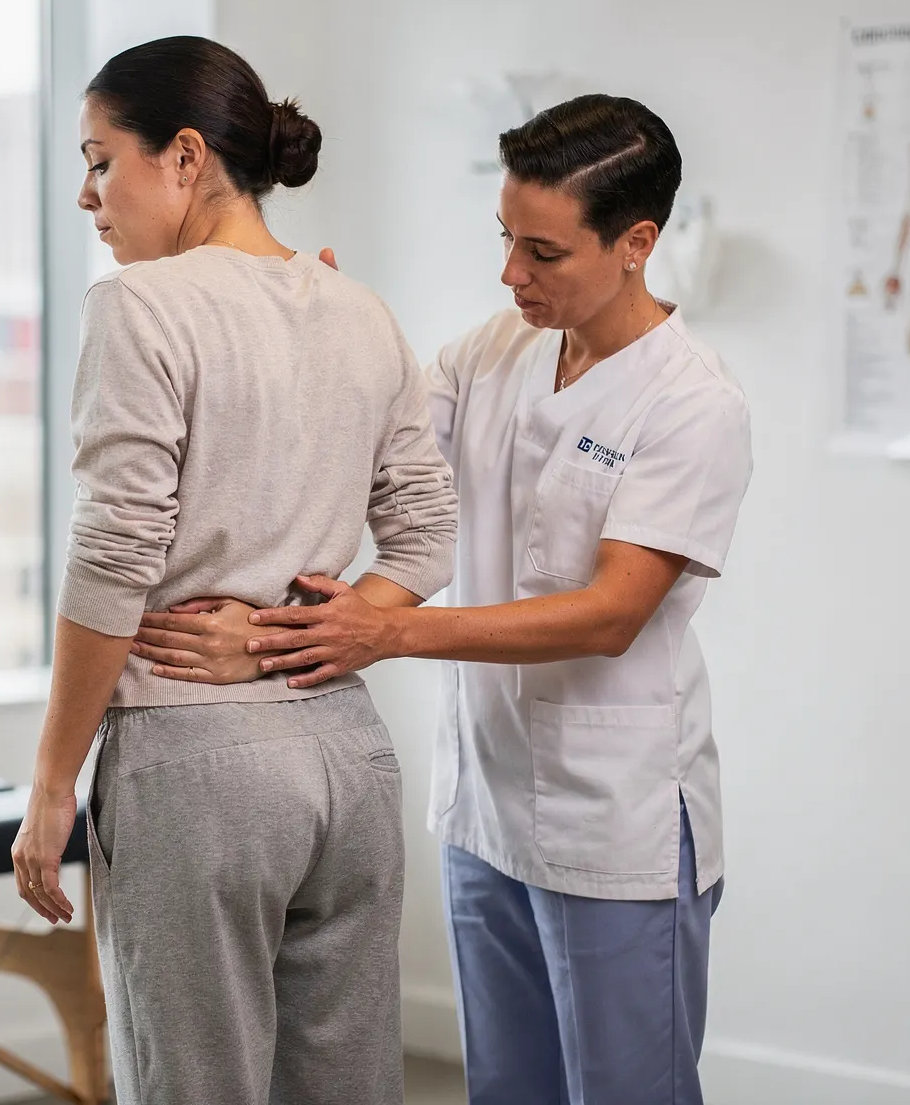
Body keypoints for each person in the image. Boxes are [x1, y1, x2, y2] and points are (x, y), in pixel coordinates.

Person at [134, 95, 752, 1105]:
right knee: (504, 1088)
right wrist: (309, 338)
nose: (510, 274)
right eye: (505, 240)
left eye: (542, 253)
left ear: (635, 242)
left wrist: (384, 630)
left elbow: (610, 614)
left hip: (614, 818)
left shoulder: (690, 402)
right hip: (485, 803)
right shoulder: (486, 354)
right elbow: (368, 445)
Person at [7, 35, 457, 1105]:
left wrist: (51, 784)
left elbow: (113, 560)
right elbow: (427, 536)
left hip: (197, 764)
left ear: (184, 157)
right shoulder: (360, 310)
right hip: (347, 759)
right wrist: (296, 636)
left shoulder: (141, 307)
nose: (86, 194)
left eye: (99, 159)